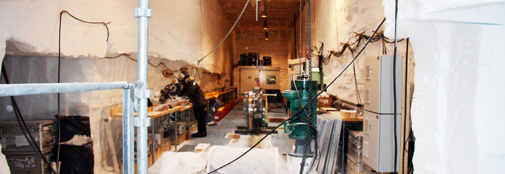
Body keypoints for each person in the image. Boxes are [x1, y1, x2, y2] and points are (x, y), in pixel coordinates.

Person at [178, 73, 208, 138]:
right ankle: (201, 132)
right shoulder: (188, 83)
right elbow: (184, 91)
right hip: (198, 102)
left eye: (181, 82)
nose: (181, 84)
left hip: (199, 103)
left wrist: (183, 97)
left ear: (183, 80)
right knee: (199, 118)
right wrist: (178, 96)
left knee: (200, 118)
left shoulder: (191, 83)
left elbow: (189, 92)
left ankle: (202, 133)